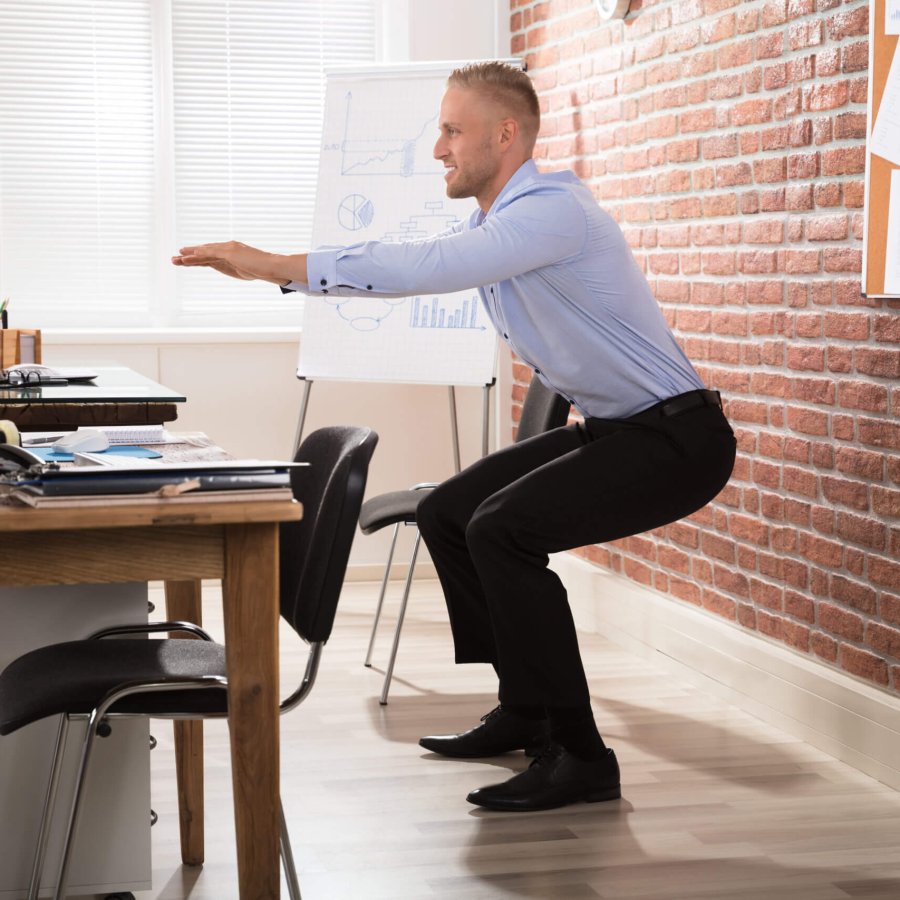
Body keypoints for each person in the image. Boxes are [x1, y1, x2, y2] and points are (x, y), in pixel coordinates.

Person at [172, 61, 736, 812]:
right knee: (450, 513)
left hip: (679, 439)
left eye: (451, 130)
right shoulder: (500, 224)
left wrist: (274, 265)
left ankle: (581, 754)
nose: (437, 149)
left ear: (506, 135)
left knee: (503, 531)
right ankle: (527, 707)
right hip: (615, 429)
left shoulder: (551, 214)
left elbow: (426, 267)